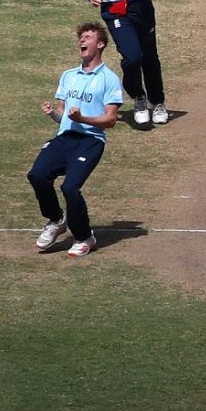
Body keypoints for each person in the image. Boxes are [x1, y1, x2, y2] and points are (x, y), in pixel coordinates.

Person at [29, 22, 123, 257]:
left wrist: (83, 118)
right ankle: (56, 219)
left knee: (70, 187)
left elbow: (111, 119)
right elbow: (63, 114)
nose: (82, 40)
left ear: (100, 44)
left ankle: (84, 237)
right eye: (81, 37)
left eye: (88, 37)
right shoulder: (68, 76)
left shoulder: (109, 79)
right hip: (65, 138)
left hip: (91, 141)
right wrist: (53, 113)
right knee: (37, 175)